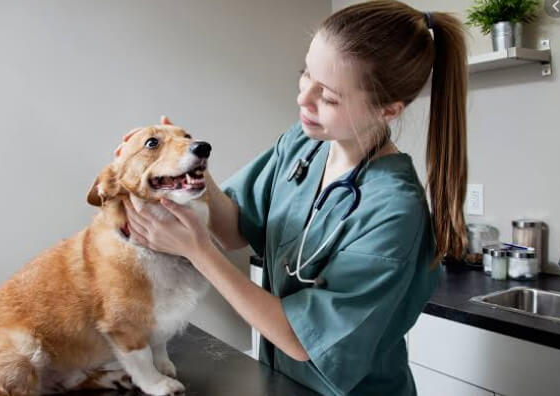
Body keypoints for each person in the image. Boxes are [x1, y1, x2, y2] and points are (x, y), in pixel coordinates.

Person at [122, 1, 468, 394]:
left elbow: (303, 341)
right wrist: (191, 164)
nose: (304, 98)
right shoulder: (305, 144)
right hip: (281, 381)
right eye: (305, 74)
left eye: (330, 97)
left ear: (387, 110)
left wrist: (198, 251)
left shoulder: (394, 212)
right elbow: (236, 228)